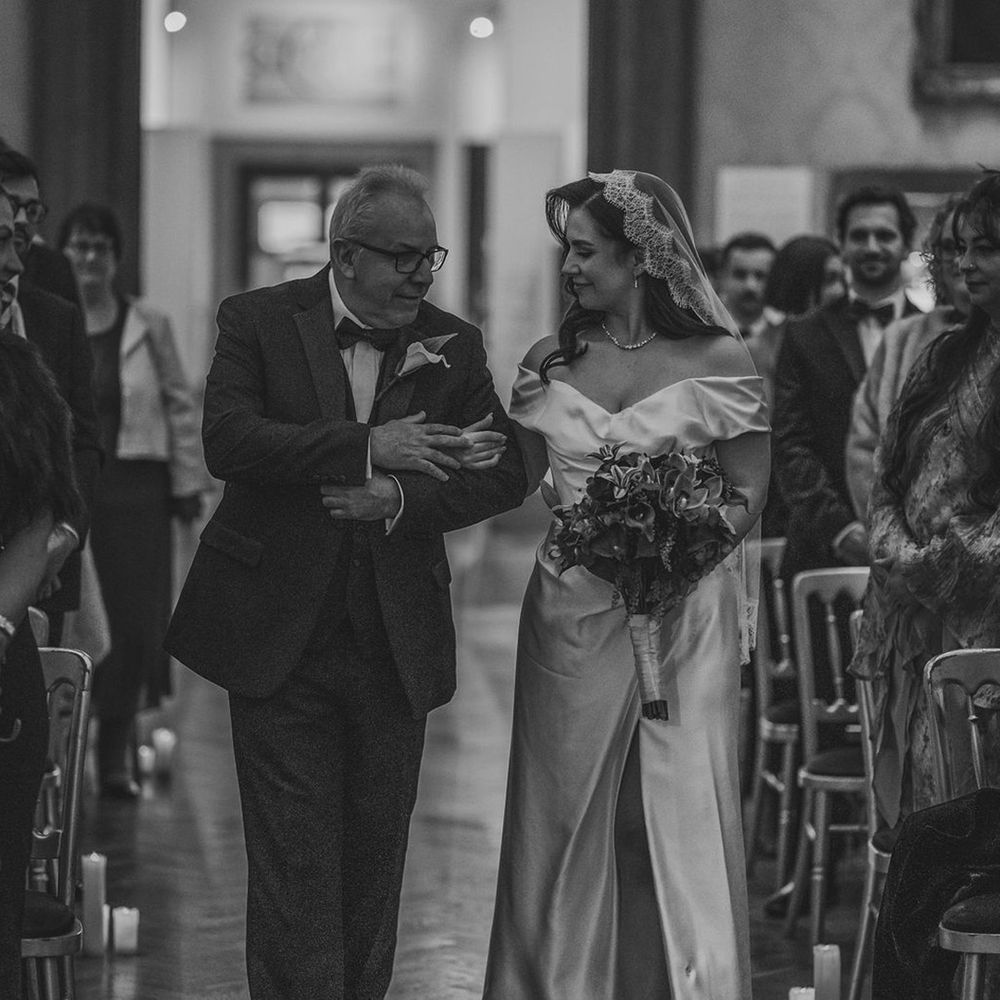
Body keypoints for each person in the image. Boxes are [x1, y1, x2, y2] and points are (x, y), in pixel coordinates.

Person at [164, 164, 526, 999]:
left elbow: (502, 470)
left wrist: (398, 495)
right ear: (344, 253)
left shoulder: (452, 343)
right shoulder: (257, 319)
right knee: (294, 868)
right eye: (401, 257)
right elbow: (230, 440)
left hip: (393, 643)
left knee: (374, 864)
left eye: (427, 257)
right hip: (277, 634)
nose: (418, 275)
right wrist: (368, 446)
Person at [479, 170, 770, 999]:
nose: (568, 268)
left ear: (639, 256)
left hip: (686, 613)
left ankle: (687, 984)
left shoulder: (720, 358)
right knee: (565, 817)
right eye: (566, 251)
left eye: (583, 251)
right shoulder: (550, 361)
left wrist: (674, 554)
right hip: (571, 613)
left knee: (673, 816)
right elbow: (513, 475)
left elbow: (748, 490)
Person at [851, 170, 1000, 835]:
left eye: (988, 247)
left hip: (985, 626)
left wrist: (941, 563)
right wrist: (891, 546)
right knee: (926, 815)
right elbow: (887, 471)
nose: (967, 263)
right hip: (920, 618)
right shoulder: (945, 352)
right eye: (960, 246)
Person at [57, 202, 207, 798]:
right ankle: (65, 749)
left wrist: (185, 483)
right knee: (73, 617)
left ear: (117, 257)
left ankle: (114, 752)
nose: (90, 257)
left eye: (100, 246)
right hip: (73, 486)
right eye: (79, 245)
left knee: (133, 622)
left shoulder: (148, 322)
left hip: (137, 491)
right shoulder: (50, 317)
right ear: (63, 252)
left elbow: (178, 401)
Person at [0, 194, 82, 996]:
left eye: (17, 243)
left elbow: (42, 517)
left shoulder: (17, 374)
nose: (16, 263)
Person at [774, 184, 922, 582]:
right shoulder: (803, 335)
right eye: (859, 235)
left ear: (907, 243)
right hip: (824, 550)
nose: (872, 246)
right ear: (841, 243)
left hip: (922, 551)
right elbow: (791, 442)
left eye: (885, 235)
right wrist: (840, 528)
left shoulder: (940, 333)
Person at [0, 150, 101, 646]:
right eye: (11, 205)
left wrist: (61, 536)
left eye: (32, 210)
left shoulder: (51, 309)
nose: (22, 222)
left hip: (47, 567)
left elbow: (82, 441)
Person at [845, 194, 970, 521]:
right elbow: (864, 450)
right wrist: (894, 537)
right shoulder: (902, 338)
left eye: (979, 246)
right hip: (902, 545)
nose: (962, 261)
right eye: (949, 248)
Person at [751, 234, 845, 536]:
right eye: (830, 279)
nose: (841, 290)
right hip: (773, 500)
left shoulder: (840, 342)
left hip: (827, 495)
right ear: (803, 283)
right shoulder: (758, 348)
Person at [717, 230, 776, 339]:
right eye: (740, 275)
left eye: (760, 276)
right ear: (722, 277)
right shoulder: (705, 329)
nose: (750, 286)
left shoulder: (784, 334)